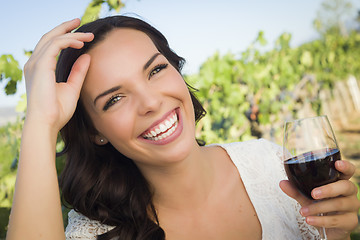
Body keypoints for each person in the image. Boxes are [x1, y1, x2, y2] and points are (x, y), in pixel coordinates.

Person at [6, 15, 360, 240]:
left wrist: (337, 232)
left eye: (155, 70)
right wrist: (40, 121)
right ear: (95, 132)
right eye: (114, 99)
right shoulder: (97, 233)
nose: (150, 102)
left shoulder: (269, 165)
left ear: (178, 71)